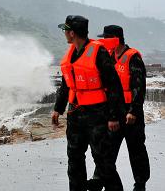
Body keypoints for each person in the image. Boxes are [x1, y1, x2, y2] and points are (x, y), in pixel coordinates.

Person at [51, 15, 125, 191]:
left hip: (97, 115)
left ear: (72, 33)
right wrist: (57, 109)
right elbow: (66, 85)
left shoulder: (98, 53)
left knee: (103, 161)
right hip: (75, 114)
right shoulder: (70, 56)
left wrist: (113, 117)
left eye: (65, 30)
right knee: (74, 159)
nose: (64, 34)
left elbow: (114, 86)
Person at [88, 25, 150, 191]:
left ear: (115, 39)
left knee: (136, 149)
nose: (103, 42)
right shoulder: (108, 57)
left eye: (106, 38)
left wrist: (134, 111)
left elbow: (139, 87)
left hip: (130, 113)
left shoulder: (132, 58)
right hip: (113, 112)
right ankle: (99, 177)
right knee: (106, 148)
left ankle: (140, 183)